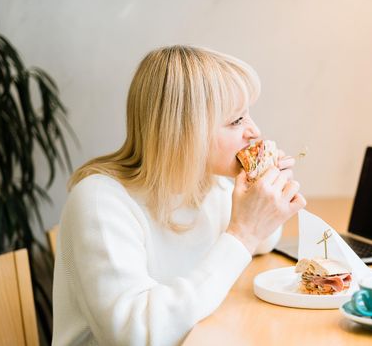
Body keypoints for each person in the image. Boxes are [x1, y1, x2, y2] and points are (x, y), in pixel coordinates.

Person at [52, 45, 306, 345]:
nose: (254, 131)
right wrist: (244, 232)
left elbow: (262, 244)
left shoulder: (208, 184)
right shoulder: (100, 201)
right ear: (185, 131)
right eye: (236, 120)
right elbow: (136, 335)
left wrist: (261, 201)